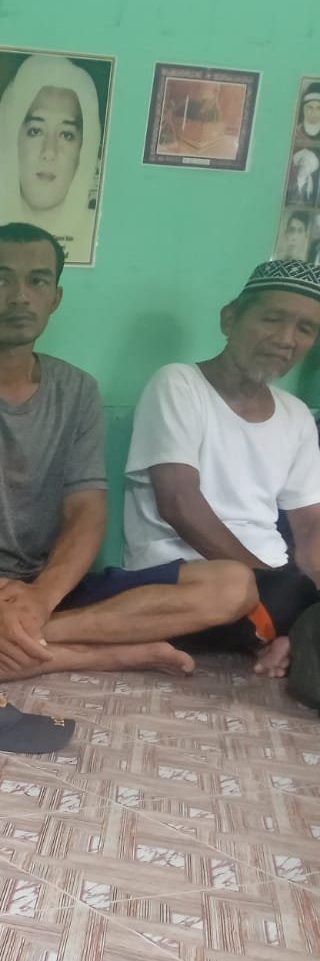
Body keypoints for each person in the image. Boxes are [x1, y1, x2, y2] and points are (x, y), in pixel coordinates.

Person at [0, 223, 254, 683]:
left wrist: (39, 600)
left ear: (55, 298)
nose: (20, 296)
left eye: (37, 281)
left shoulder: (78, 391)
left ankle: (22, 637)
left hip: (49, 588)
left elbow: (86, 514)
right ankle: (112, 654)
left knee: (234, 586)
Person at [123, 260, 320, 678]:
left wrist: (311, 597)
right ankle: (285, 634)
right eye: (273, 319)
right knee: (252, 594)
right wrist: (264, 585)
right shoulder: (178, 384)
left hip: (273, 584)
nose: (286, 339)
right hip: (186, 576)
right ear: (230, 319)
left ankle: (286, 637)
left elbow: (310, 527)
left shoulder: (297, 415)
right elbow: (179, 503)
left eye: (305, 329)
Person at [0, 54, 105, 265]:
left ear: (84, 151)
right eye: (35, 131)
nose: (49, 152)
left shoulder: (100, 238)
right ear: (11, 142)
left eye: (66, 135)